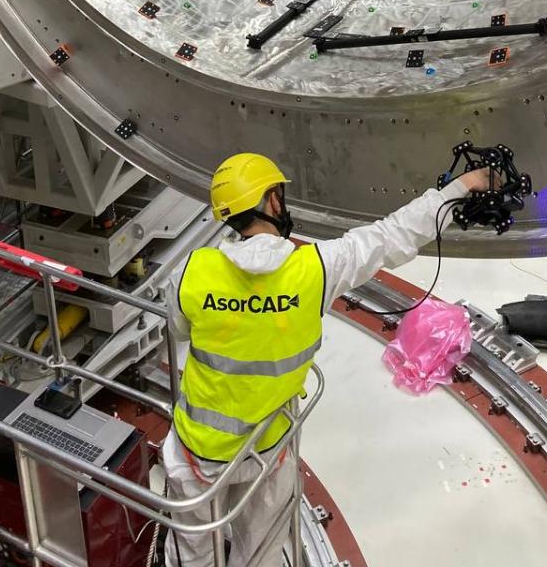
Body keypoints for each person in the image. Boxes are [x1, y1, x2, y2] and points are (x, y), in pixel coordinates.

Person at [162, 151, 489, 566]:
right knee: (261, 551)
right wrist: (464, 186)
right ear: (272, 201)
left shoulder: (191, 272)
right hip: (269, 446)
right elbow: (391, 236)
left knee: (192, 553)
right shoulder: (315, 269)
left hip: (198, 453)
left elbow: (178, 329)